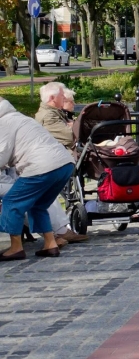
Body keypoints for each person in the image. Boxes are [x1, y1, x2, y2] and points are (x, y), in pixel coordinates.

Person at [0, 98, 76, 260]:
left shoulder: (4, 123)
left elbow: (1, 156)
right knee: (38, 205)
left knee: (12, 202)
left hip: (42, 166)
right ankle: (50, 244)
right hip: (64, 164)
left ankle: (16, 248)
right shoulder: (20, 118)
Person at [32, 83, 88, 244]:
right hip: (56, 161)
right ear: (52, 98)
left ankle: (58, 232)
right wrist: (73, 127)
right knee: (39, 196)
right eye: (62, 97)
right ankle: (58, 233)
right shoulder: (48, 116)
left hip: (58, 158)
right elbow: (70, 137)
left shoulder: (55, 113)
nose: (65, 99)